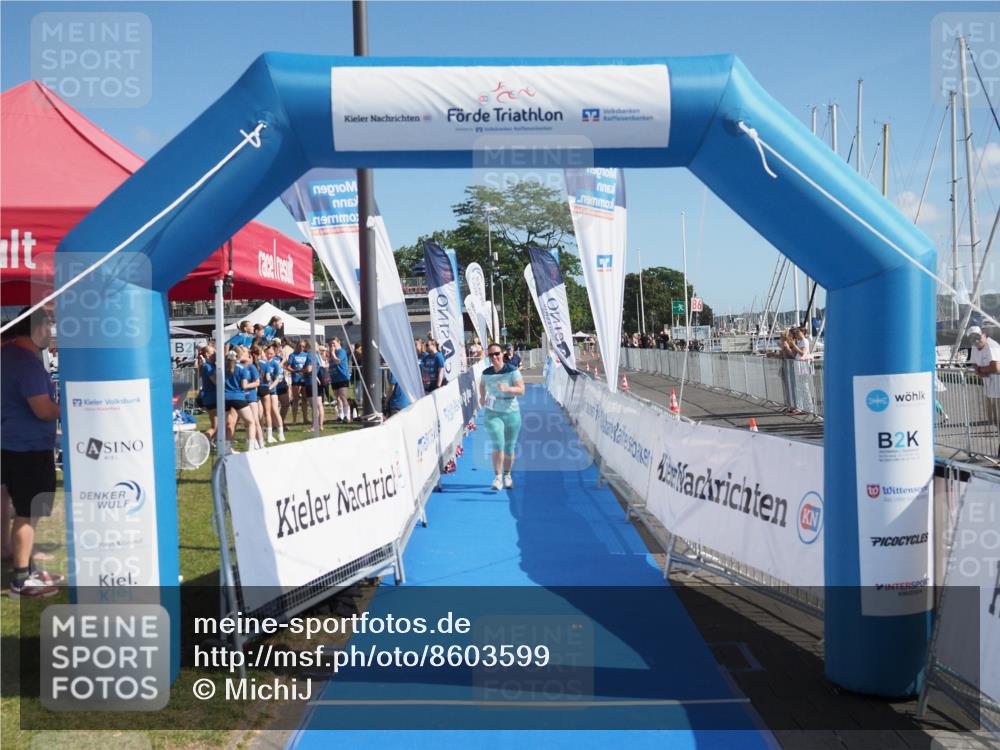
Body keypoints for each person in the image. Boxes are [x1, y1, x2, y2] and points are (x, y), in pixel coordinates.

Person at [1, 308, 63, 597]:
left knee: (24, 511)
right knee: (27, 513)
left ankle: (26, 569)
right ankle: (21, 579)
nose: (50, 332)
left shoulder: (7, 355)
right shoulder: (25, 363)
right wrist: (70, 409)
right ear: (36, 328)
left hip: (12, 444)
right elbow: (42, 410)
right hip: (28, 448)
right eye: (48, 325)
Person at [480, 344, 526, 490]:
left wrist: (508, 389)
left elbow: (521, 390)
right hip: (492, 412)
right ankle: (497, 477)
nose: (494, 357)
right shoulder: (486, 373)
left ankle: (507, 475)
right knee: (498, 444)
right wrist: (482, 397)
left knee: (509, 447)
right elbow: (482, 384)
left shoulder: (512, 371)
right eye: (491, 355)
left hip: (511, 412)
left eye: (497, 354)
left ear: (502, 353)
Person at [968, 326, 1000, 439]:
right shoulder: (974, 346)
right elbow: (974, 363)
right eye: (972, 338)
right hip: (989, 389)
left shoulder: (991, 346)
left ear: (984, 334)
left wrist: (980, 370)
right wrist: (979, 370)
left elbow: (996, 367)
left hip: (998, 389)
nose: (976, 341)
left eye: (977, 337)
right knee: (992, 419)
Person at [197, 343, 219, 441]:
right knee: (215, 426)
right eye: (213, 353)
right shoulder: (208, 366)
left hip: (211, 397)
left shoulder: (210, 365)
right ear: (207, 354)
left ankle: (211, 442)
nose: (216, 354)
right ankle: (201, 442)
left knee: (219, 425)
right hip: (212, 398)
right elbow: (215, 381)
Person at [329, 338, 352, 422]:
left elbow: (337, 361)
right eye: (331, 344)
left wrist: (332, 353)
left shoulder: (341, 351)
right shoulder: (331, 353)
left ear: (338, 343)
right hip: (334, 378)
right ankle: (340, 416)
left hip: (342, 377)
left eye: (333, 343)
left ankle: (347, 416)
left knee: (343, 397)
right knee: (337, 398)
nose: (332, 346)